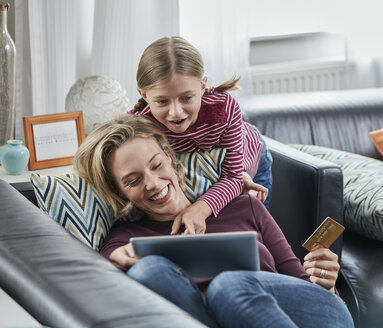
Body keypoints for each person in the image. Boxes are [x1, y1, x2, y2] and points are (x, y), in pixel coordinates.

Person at [73, 115, 354, 328]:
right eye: (133, 180)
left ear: (169, 159)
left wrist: (326, 283)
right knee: (148, 270)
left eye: (157, 165)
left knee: (229, 285)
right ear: (118, 191)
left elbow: (301, 283)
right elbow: (104, 284)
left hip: (308, 314)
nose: (152, 183)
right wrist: (113, 264)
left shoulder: (245, 206)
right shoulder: (125, 238)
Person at [129, 36, 273, 236]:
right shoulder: (141, 126)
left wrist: (199, 207)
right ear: (144, 95)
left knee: (257, 234)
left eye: (186, 98)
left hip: (248, 161)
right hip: (208, 174)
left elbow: (233, 177)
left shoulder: (224, 109)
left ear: (202, 85)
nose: (176, 112)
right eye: (162, 101)